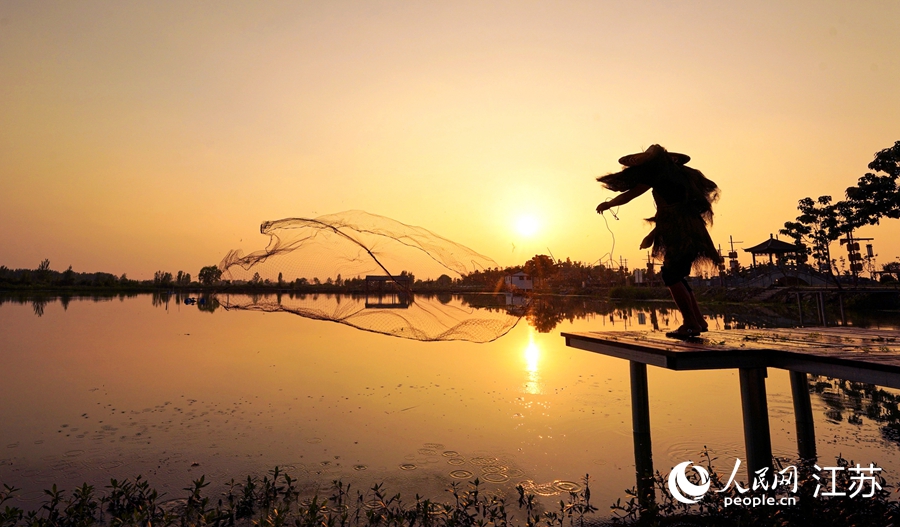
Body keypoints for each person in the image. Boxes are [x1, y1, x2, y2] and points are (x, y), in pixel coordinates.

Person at [596, 144, 721, 339]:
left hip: (679, 232)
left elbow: (630, 195)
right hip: (692, 229)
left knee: (672, 275)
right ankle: (698, 320)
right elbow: (675, 211)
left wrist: (609, 204)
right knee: (677, 274)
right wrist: (652, 236)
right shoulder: (683, 176)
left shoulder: (659, 175)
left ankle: (690, 324)